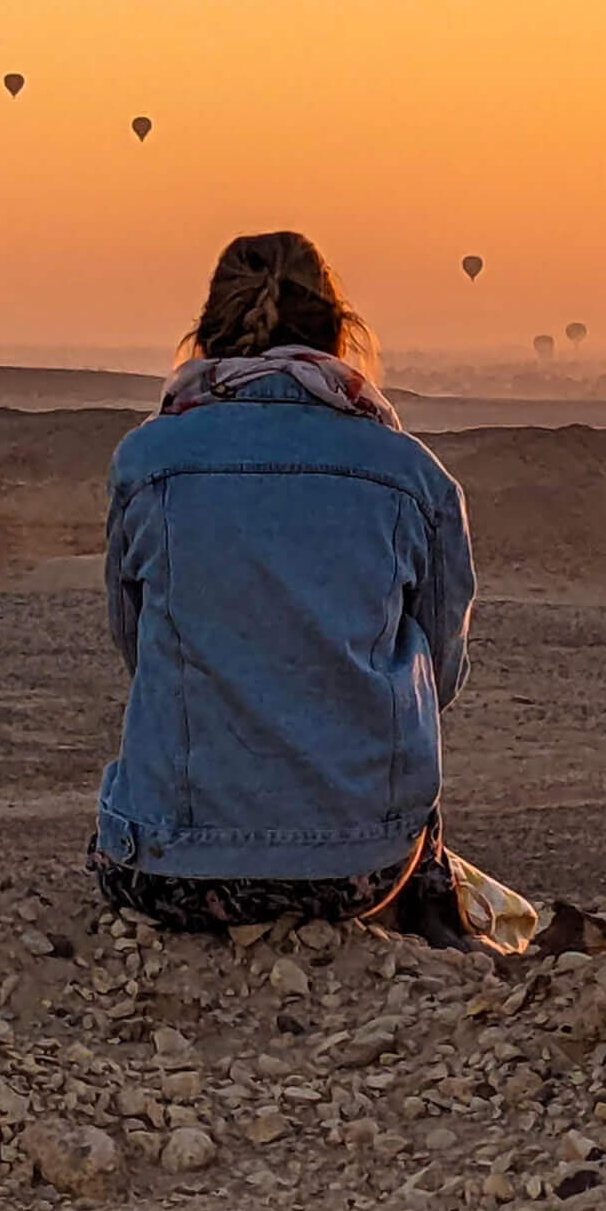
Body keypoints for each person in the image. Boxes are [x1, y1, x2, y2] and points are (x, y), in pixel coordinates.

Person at [91, 231, 537, 954]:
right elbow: (443, 675)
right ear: (340, 336)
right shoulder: (410, 473)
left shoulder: (148, 460)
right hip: (362, 870)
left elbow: (136, 646)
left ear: (205, 334)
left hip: (172, 867)